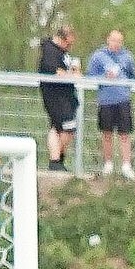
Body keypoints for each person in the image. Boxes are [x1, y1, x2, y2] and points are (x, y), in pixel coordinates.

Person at [87, 28, 135, 179]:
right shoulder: (98, 56)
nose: (116, 44)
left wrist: (125, 85)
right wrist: (104, 77)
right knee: (106, 133)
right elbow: (90, 76)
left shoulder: (127, 57)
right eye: (114, 40)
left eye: (119, 41)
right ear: (108, 40)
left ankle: (126, 166)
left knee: (125, 133)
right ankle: (108, 164)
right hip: (105, 100)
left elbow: (133, 76)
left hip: (123, 99)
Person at [38, 25, 81, 171]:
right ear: (62, 39)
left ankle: (58, 159)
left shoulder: (64, 53)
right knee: (60, 127)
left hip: (67, 95)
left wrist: (74, 71)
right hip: (55, 96)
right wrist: (71, 75)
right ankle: (55, 160)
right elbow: (54, 71)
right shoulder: (49, 50)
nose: (69, 47)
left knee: (66, 128)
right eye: (68, 43)